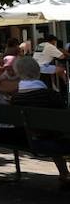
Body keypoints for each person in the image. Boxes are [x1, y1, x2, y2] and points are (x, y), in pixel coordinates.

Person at [7, 55, 70, 189]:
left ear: (18, 74)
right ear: (38, 72)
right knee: (53, 134)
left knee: (48, 133)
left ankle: (64, 174)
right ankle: (64, 174)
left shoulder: (16, 99)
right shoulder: (50, 95)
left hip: (30, 139)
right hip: (53, 139)